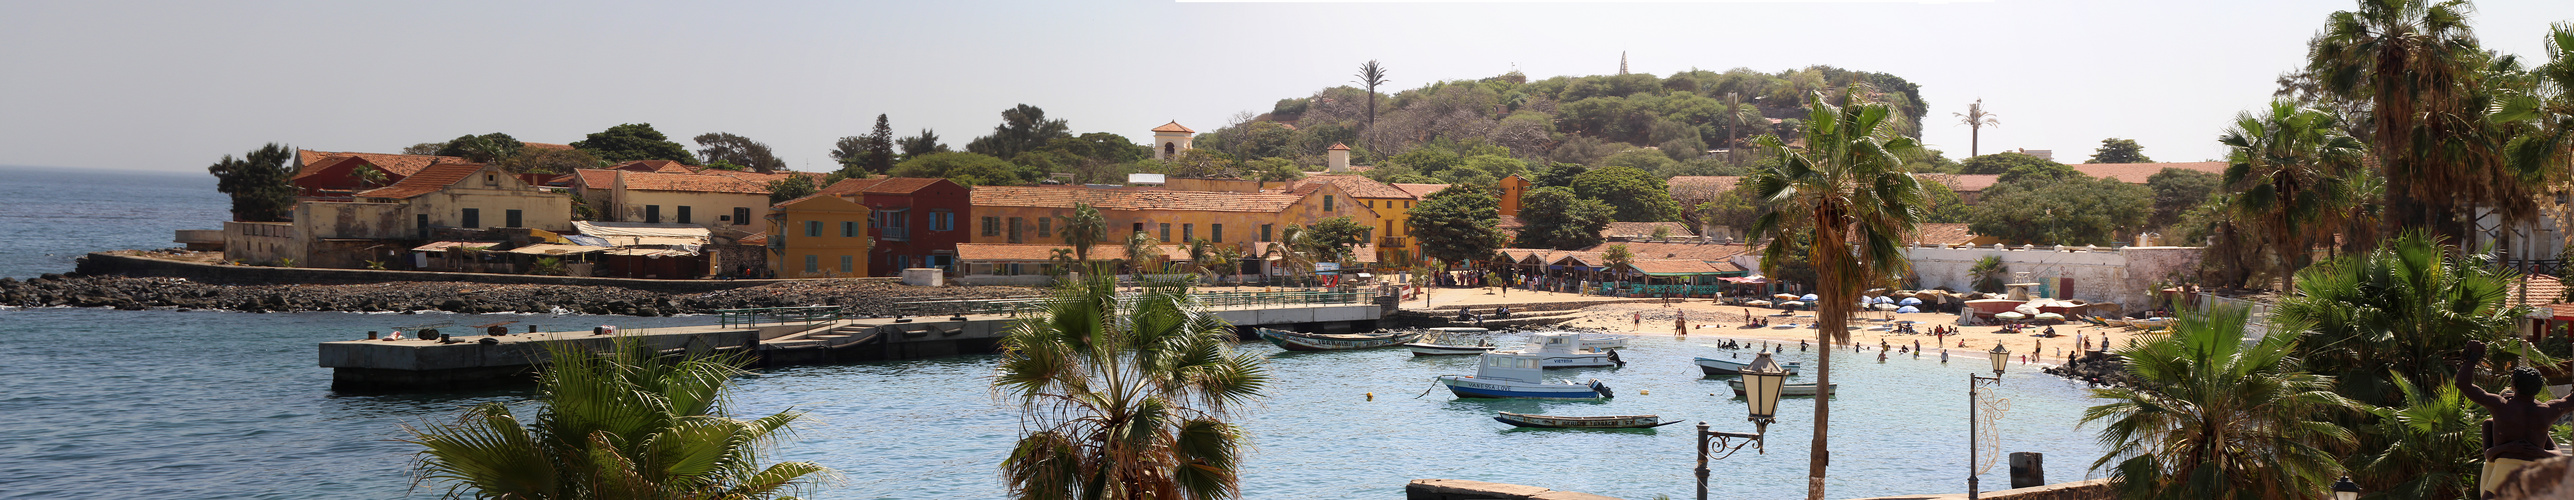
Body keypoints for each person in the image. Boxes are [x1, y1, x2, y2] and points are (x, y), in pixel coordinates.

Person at [2460, 340, 2574, 497]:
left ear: (2513, 385)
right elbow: (2570, 401)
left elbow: (2463, 384)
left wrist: (2472, 356)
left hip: (2505, 467)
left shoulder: (2501, 405)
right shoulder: (2548, 411)